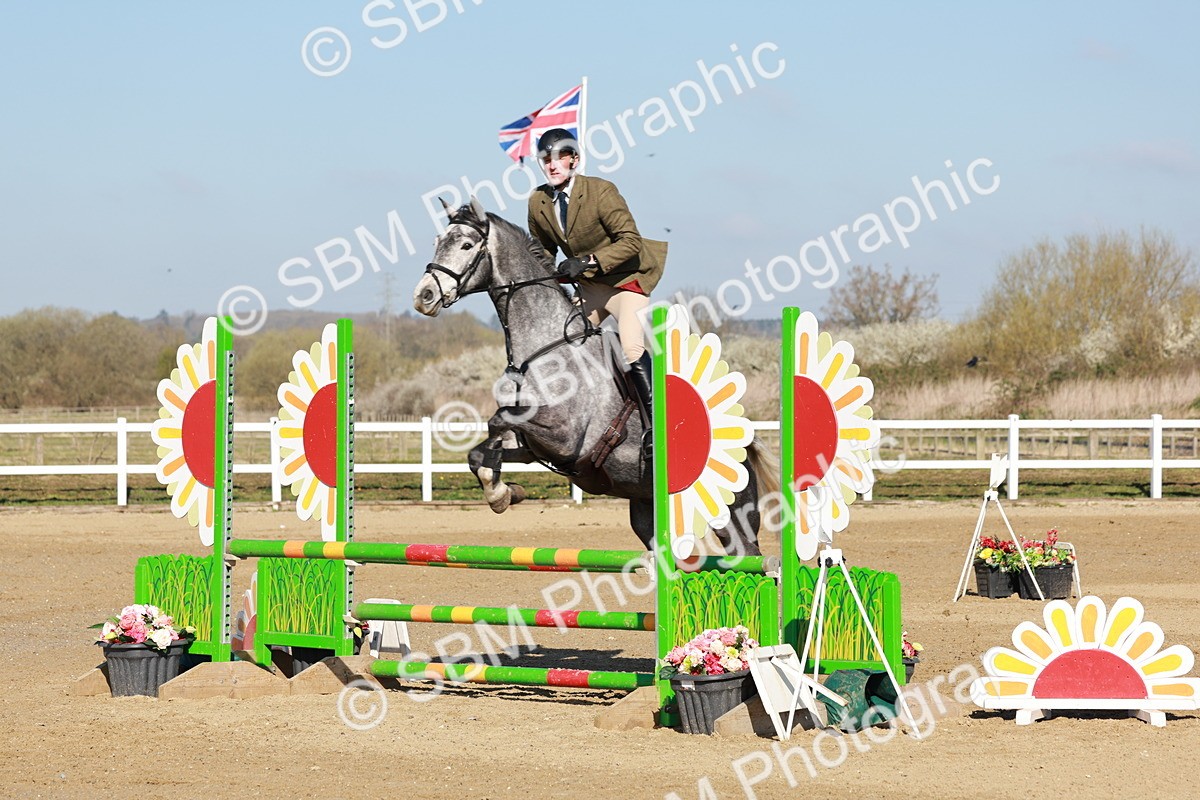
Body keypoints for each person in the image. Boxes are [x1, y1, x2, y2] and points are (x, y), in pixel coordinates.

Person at [526, 128, 666, 417]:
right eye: (545, 159)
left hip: (626, 282)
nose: (551, 165)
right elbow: (543, 254)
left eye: (559, 158)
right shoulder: (538, 202)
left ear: (574, 160)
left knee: (629, 346)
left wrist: (587, 261)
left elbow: (630, 241)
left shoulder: (600, 191)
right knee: (559, 342)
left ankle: (656, 424)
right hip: (590, 287)